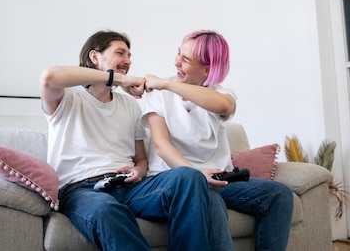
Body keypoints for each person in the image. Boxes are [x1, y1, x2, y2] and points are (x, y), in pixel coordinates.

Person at [40, 30, 229, 251]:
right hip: (83, 191)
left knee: (189, 176)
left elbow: (141, 158)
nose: (128, 61)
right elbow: (49, 77)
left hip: (130, 188)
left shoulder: (129, 105)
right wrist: (120, 79)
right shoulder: (67, 99)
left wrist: (139, 171)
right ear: (94, 57)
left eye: (130, 56)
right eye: (120, 53)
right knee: (106, 209)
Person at [142, 29, 294, 251]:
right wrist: (197, 176)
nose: (176, 63)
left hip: (221, 180)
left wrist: (166, 83)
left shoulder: (220, 94)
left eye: (185, 60)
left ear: (207, 68)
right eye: (178, 54)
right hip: (179, 180)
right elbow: (161, 146)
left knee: (279, 194)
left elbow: (224, 106)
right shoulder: (157, 94)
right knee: (209, 201)